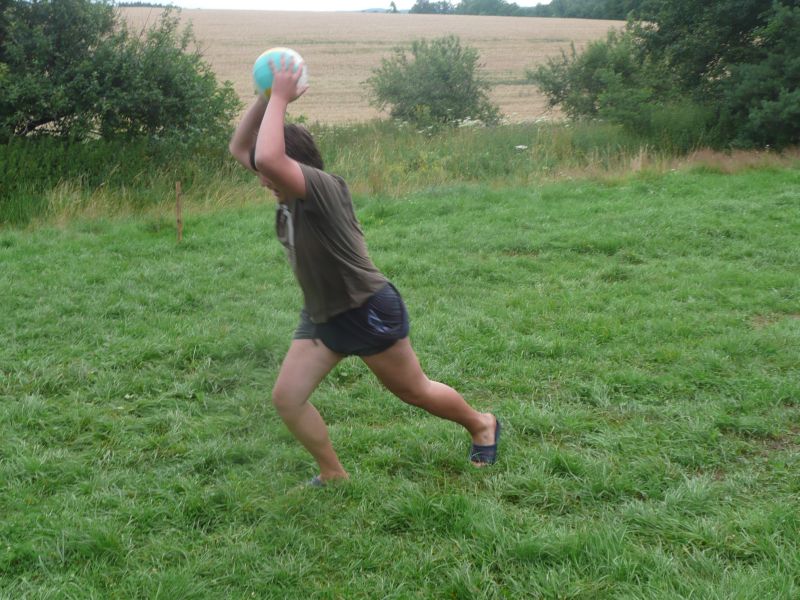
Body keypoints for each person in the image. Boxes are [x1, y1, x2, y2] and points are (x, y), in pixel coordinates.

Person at [228, 55, 500, 486]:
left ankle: (482, 423)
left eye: (268, 168)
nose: (260, 176)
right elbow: (241, 149)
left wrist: (281, 97)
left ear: (296, 164)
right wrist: (265, 98)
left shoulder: (322, 188)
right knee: (288, 398)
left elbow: (269, 158)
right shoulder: (283, 190)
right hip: (323, 315)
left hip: (367, 308)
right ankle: (333, 473)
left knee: (414, 391)